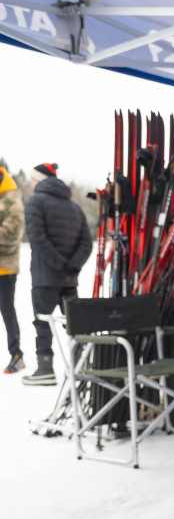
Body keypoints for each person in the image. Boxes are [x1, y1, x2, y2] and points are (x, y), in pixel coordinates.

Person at [22, 163, 93, 386]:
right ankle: (79, 366)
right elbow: (87, 243)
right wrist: (72, 266)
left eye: (34, 180)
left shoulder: (35, 202)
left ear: (40, 180)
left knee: (43, 323)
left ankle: (45, 368)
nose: (31, 183)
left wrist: (61, 265)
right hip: (69, 278)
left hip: (45, 277)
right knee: (73, 323)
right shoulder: (74, 207)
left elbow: (38, 239)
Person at [0, 166, 25, 374]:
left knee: (7, 311)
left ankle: (17, 355)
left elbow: (12, 233)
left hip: (4, 268)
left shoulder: (11, 200)